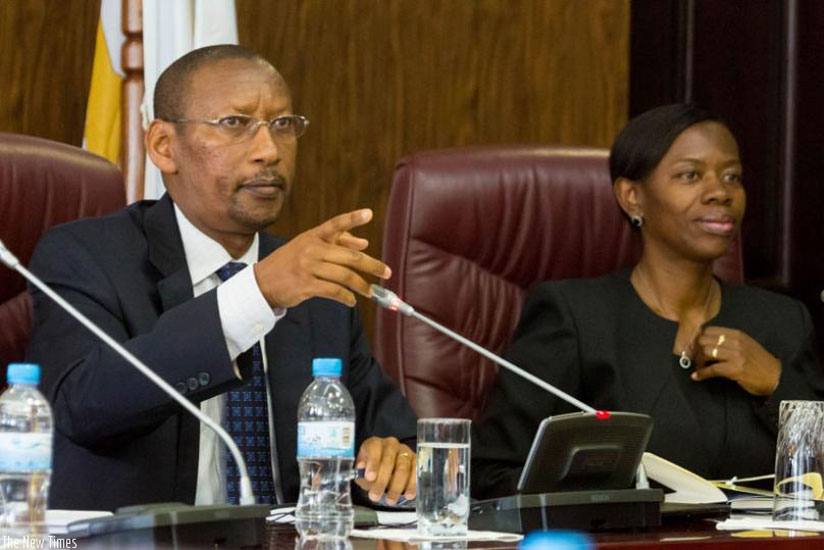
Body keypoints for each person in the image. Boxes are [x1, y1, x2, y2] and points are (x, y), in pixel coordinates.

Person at [26, 44, 417, 511]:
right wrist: (255, 295)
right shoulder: (85, 256)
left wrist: (393, 464)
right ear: (163, 147)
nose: (268, 150)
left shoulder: (313, 279)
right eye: (235, 124)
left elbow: (387, 439)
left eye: (283, 125)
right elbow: (84, 407)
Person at [472, 103, 824, 499]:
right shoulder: (574, 317)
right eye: (691, 175)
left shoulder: (782, 320)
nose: (720, 192)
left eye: (732, 177)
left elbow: (816, 475)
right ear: (632, 197)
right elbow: (492, 475)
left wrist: (776, 383)